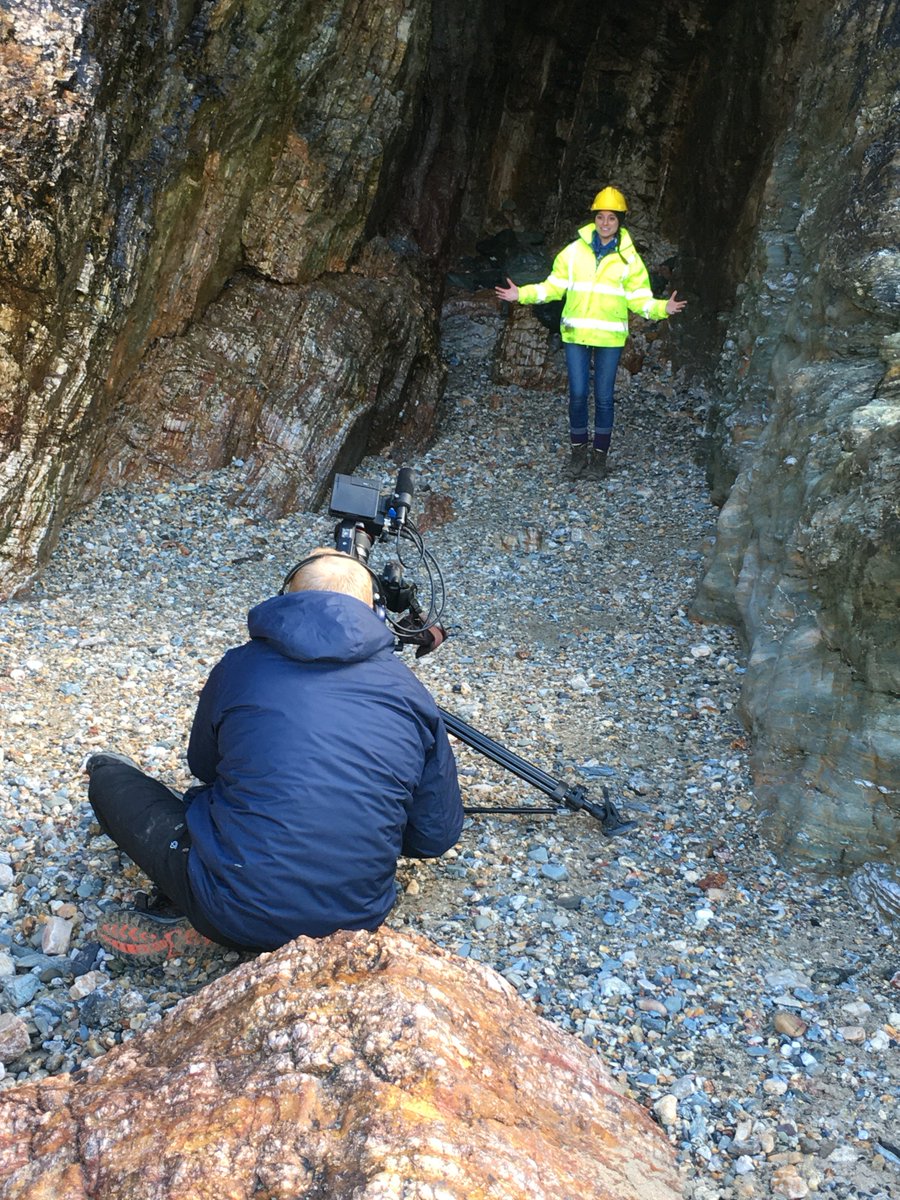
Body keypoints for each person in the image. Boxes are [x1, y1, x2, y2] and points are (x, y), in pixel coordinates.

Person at [83, 549, 464, 963]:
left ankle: (201, 919)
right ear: (375, 610)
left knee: (107, 776)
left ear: (285, 600)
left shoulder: (239, 667)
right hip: (358, 917)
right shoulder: (410, 692)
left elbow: (204, 768)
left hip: (231, 912)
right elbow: (435, 835)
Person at [495, 186, 687, 481]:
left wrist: (663, 308)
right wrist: (521, 293)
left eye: (611, 218)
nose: (605, 223)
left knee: (604, 398)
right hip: (575, 334)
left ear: (620, 220)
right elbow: (553, 287)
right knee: (578, 394)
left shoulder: (629, 260)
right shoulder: (573, 253)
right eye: (601, 217)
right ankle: (577, 454)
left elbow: (639, 299)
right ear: (594, 219)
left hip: (609, 339)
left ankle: (599, 458)